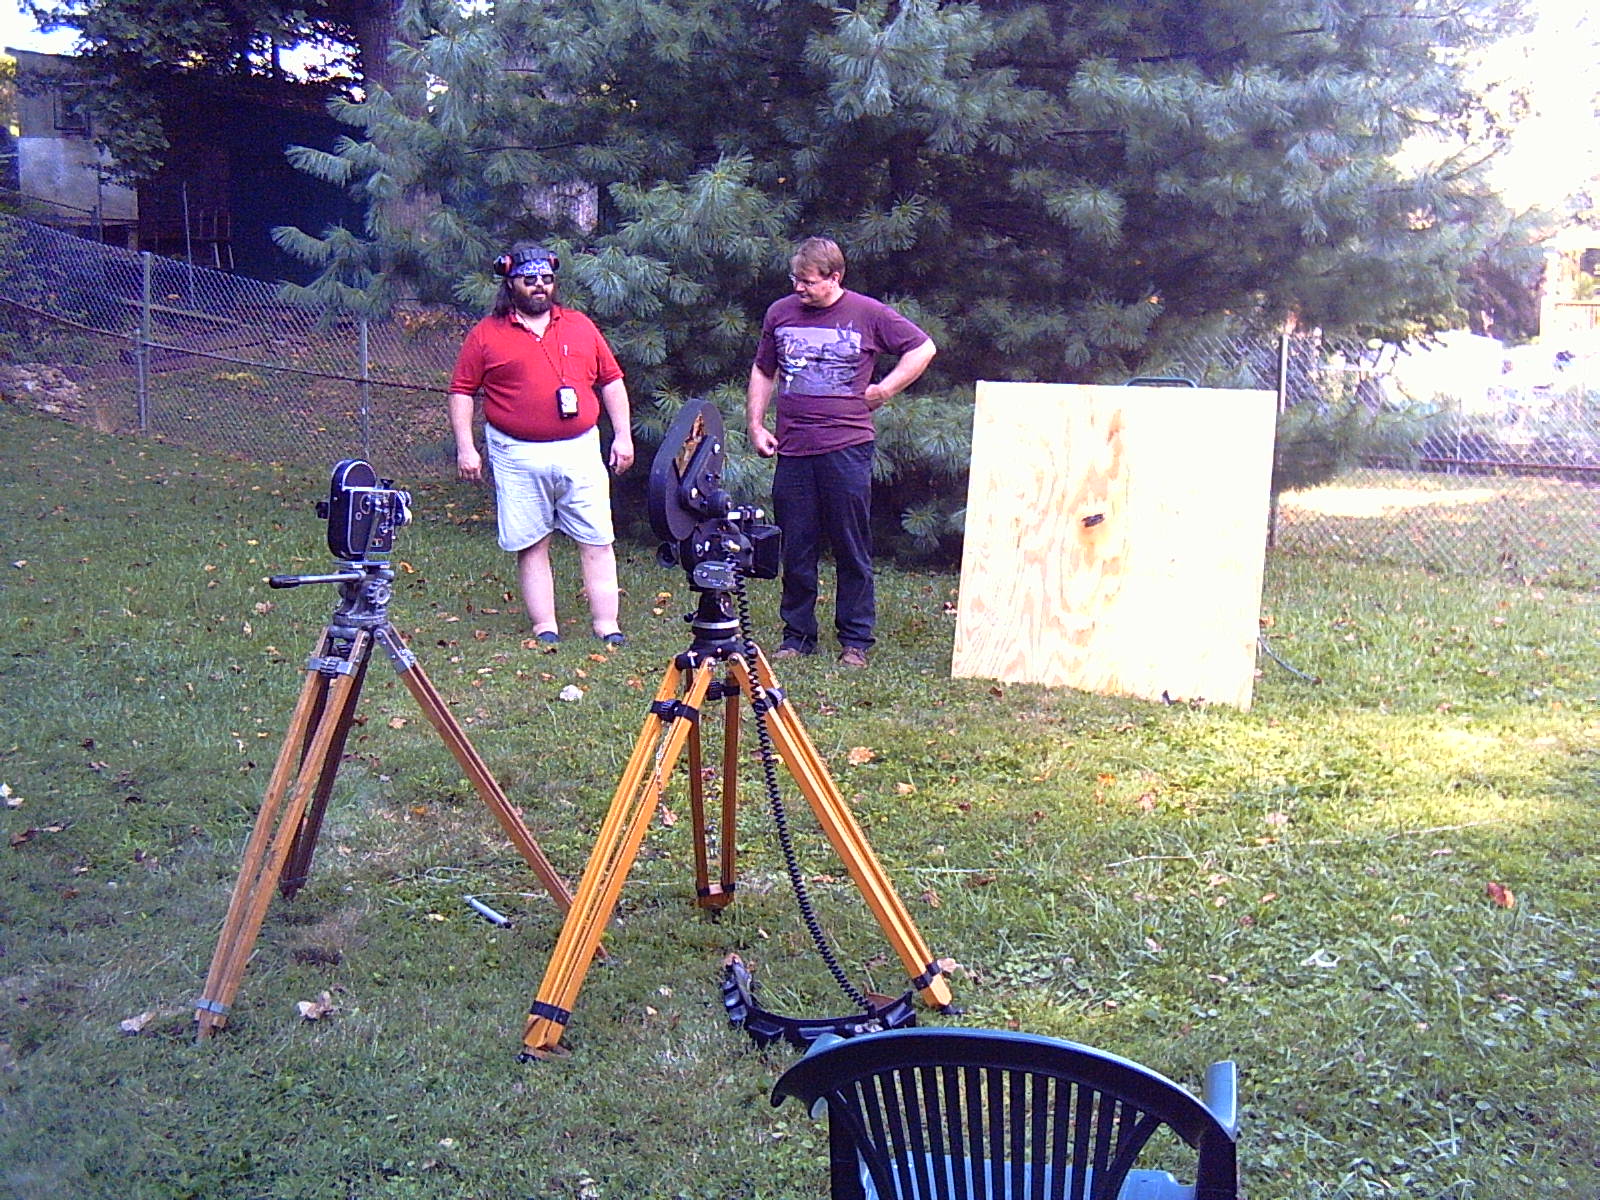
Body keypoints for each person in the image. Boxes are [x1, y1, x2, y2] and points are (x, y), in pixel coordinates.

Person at [746, 236, 936, 668]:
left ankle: (855, 640)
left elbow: (923, 347)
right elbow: (763, 369)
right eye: (795, 279)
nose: (799, 288)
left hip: (847, 447)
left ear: (835, 277)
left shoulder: (868, 313)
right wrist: (756, 425)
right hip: (794, 448)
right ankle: (797, 636)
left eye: (808, 281)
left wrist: (885, 389)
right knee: (796, 545)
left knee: (851, 545)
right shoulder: (780, 313)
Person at [448, 242, 634, 648]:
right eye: (529, 279)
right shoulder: (485, 334)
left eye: (547, 279)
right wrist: (466, 447)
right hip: (516, 453)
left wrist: (623, 435)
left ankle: (607, 624)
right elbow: (462, 390)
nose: (539, 286)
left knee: (597, 539)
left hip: (580, 448)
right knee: (532, 542)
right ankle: (544, 626)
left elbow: (611, 381)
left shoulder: (580, 325)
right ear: (510, 284)